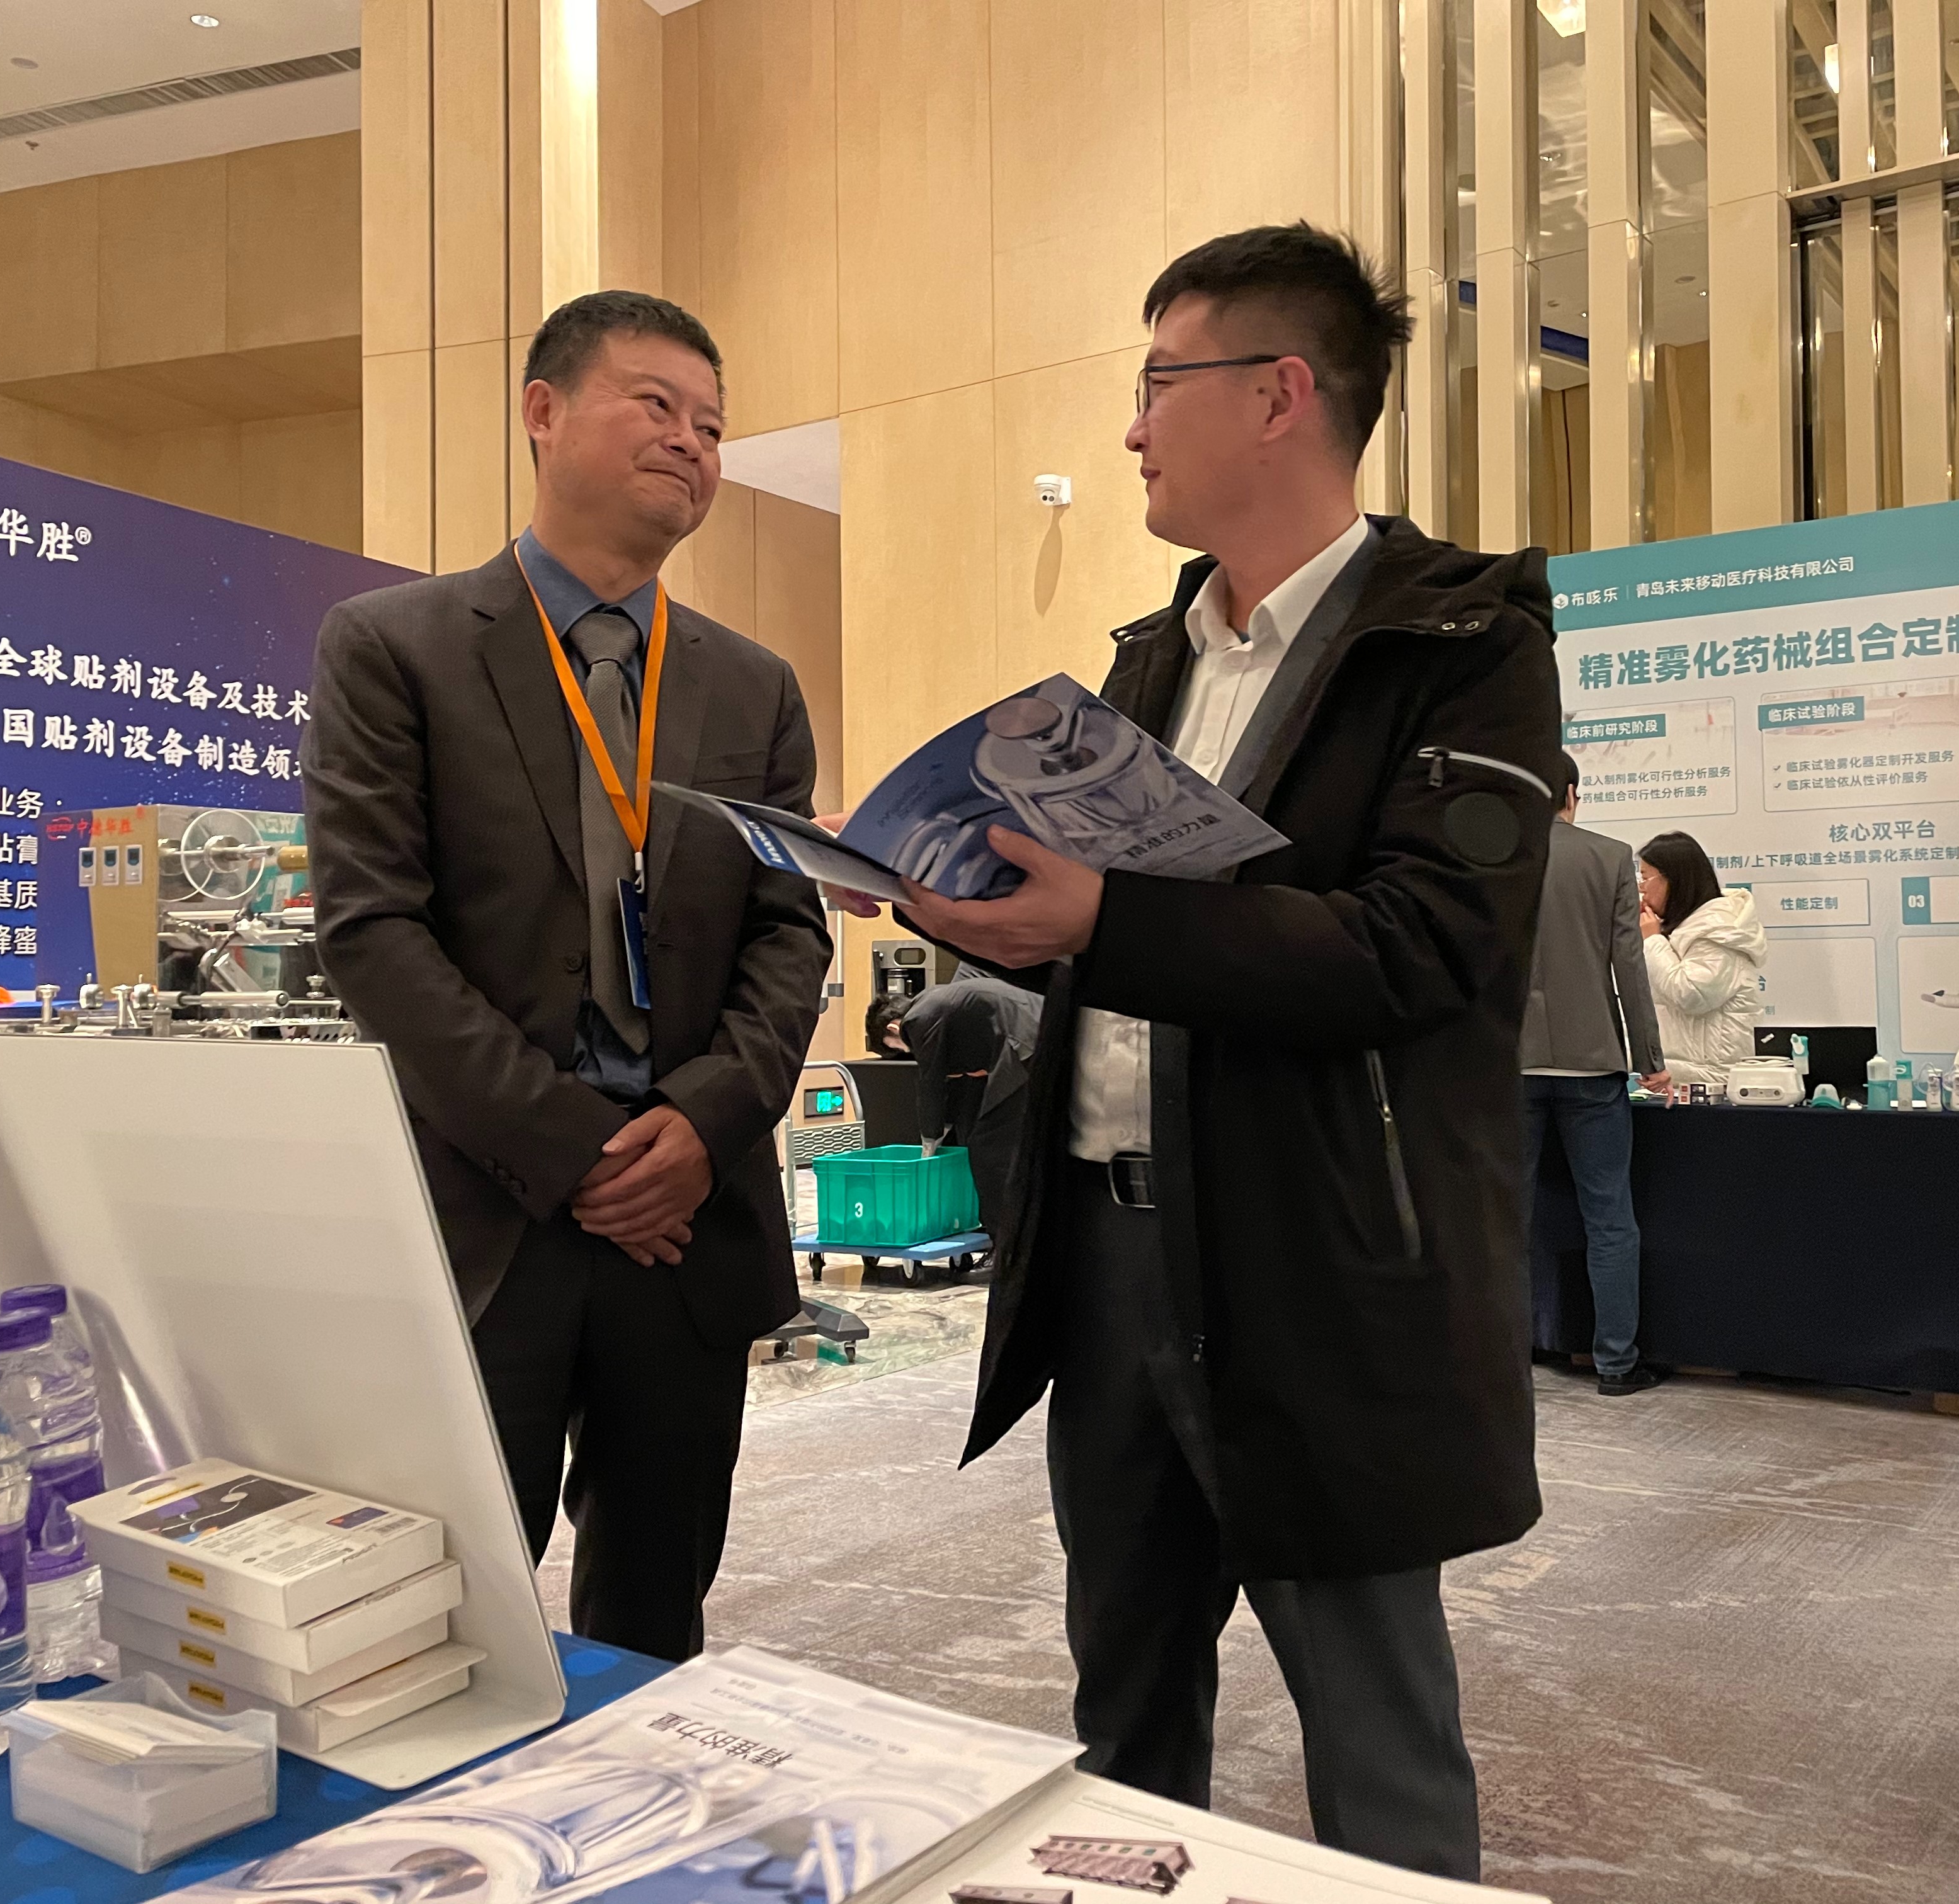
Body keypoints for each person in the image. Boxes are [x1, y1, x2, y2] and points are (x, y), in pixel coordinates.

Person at [843, 223, 1560, 1880]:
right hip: (1107, 1258)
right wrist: (975, 912)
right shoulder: (1149, 659)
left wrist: (1101, 918)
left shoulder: (1460, 646)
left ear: (1279, 395)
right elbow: (1119, 950)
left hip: (1317, 1266)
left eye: (1161, 382)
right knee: (1126, 1714)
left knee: (1376, 1737)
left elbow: (1422, 950)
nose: (1132, 428)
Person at [303, 290, 831, 1661]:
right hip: (490, 1212)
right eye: (656, 404)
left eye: (711, 423)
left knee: (655, 1624)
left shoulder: (754, 687)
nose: (691, 441)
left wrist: (700, 1126)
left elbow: (789, 935)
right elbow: (372, 930)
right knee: (440, 1627)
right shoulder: (396, 647)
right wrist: (580, 1151)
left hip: (688, 1215)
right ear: (541, 411)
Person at [1523, 756, 1667, 1396]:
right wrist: (1651, 1061)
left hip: (1510, 1063)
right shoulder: (1610, 857)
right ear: (1572, 794)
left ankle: (1505, 1363)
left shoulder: (1493, 860)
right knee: (1609, 1218)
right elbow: (1629, 968)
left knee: (1505, 1222)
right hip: (1592, 1062)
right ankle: (1616, 1364)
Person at [899, 972, 1043, 1250]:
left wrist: (929, 1144)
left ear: (893, 1030)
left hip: (1023, 1044)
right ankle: (1008, 1236)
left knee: (989, 1149)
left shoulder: (917, 1019)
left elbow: (931, 1082)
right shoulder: (938, 998)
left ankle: (1004, 1249)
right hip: (1035, 1030)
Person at [1637, 831, 1765, 1089]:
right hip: (1681, 1079)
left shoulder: (1720, 930)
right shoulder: (1681, 927)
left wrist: (1652, 940)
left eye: (1645, 877)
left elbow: (1692, 995)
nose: (1641, 887)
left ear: (1675, 880)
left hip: (1712, 1085)